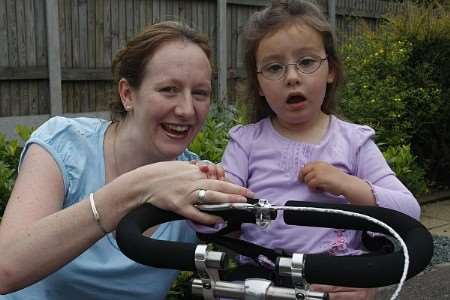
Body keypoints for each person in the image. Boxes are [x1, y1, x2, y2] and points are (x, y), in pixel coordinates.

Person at [0, 21, 254, 300]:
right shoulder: (63, 145)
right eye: (169, 89)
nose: (186, 109)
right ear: (128, 94)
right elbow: (6, 268)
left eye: (200, 93)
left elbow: (263, 250)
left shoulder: (196, 182)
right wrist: (139, 187)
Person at [199, 0, 421, 299]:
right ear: (260, 85)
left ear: (331, 70)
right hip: (264, 278)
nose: (292, 76)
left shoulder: (354, 142)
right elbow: (217, 224)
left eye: (306, 62)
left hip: (336, 278)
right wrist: (210, 194)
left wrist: (348, 185)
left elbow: (409, 212)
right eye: (275, 67)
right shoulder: (245, 142)